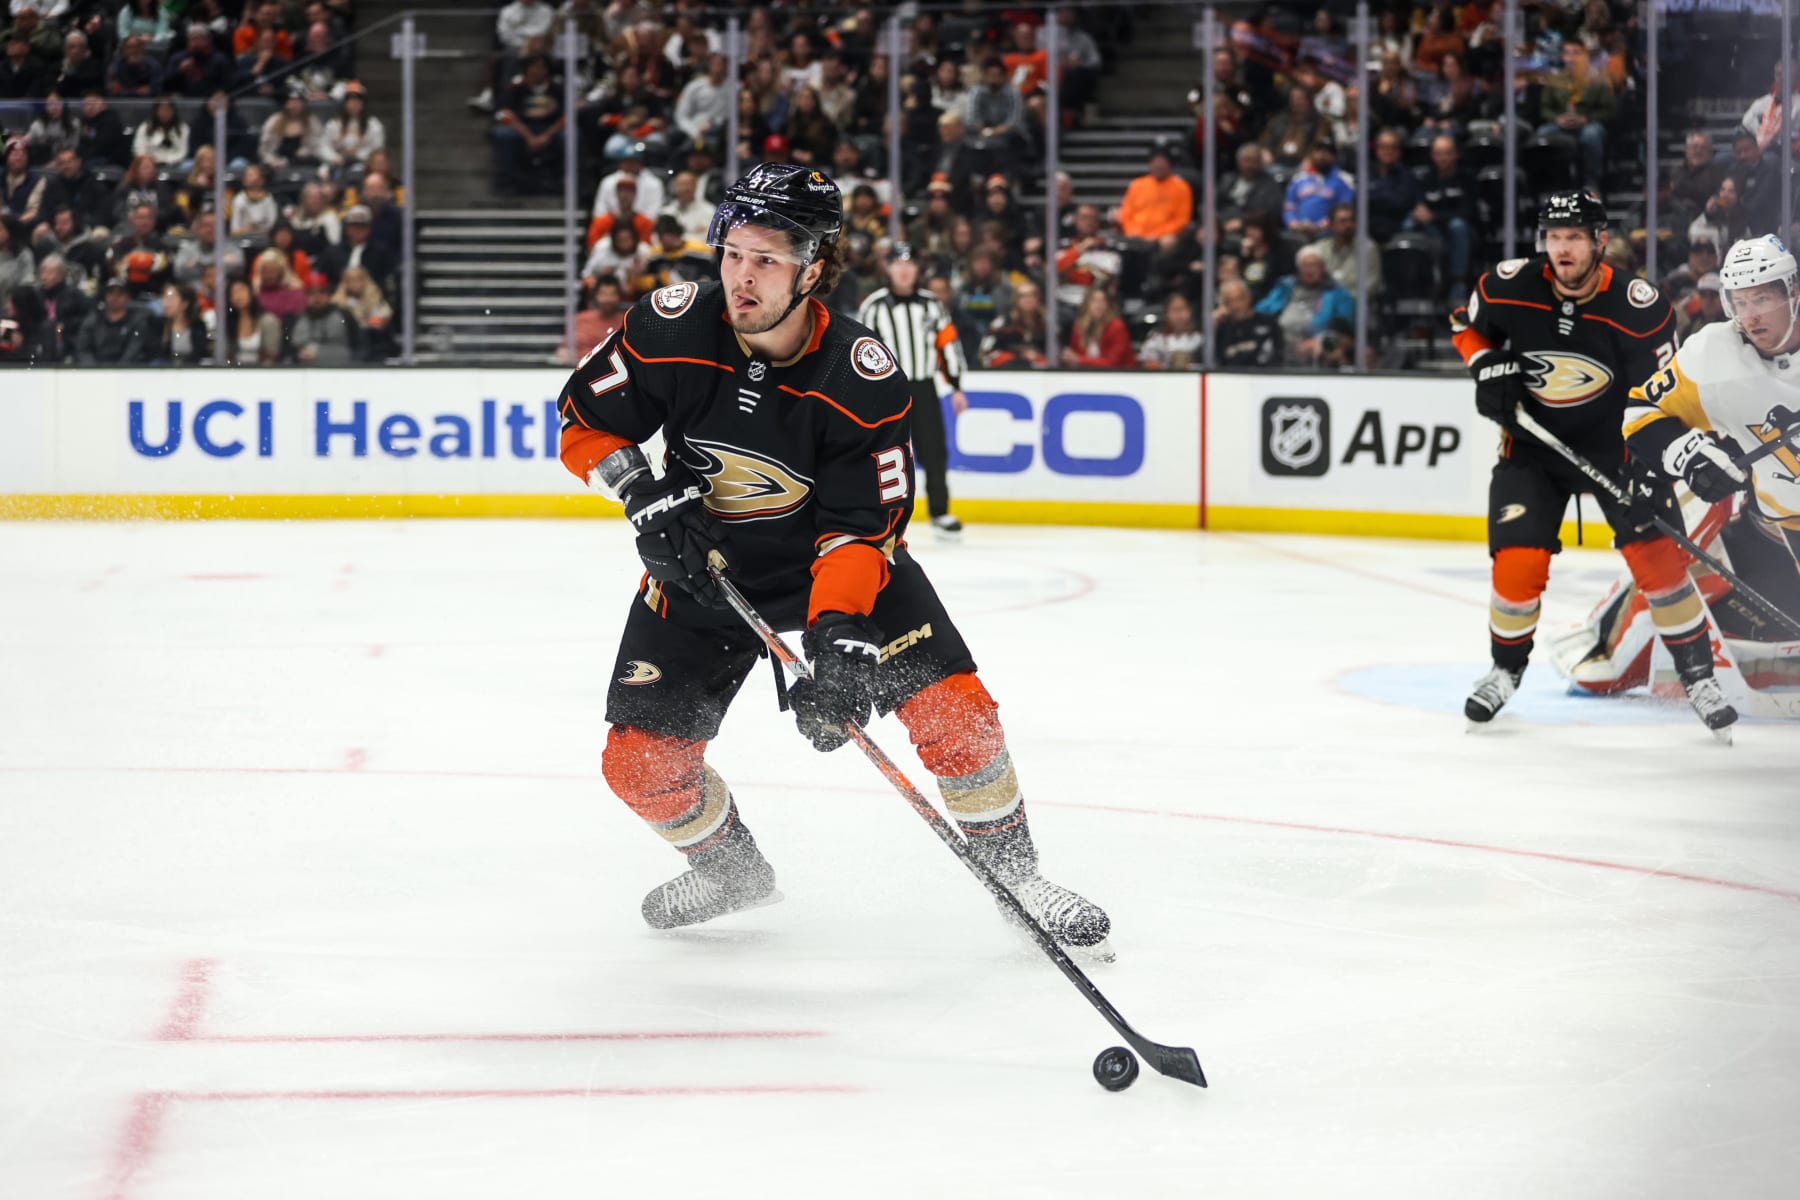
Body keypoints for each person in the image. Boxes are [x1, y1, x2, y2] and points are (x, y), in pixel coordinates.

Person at [553, 162, 1109, 947]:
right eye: (734, 253)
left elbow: (859, 531)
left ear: (813, 269)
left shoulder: (862, 377)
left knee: (958, 716)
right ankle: (731, 873)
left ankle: (1019, 881)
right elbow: (582, 420)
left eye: (767, 261)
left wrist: (837, 633)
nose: (742, 278)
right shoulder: (668, 326)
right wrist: (639, 490)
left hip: (840, 574)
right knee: (638, 764)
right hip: (700, 570)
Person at [1449, 191, 1732, 736]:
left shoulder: (1640, 305)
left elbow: (1662, 394)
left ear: (1600, 242)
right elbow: (1466, 324)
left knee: (1662, 566)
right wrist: (1485, 364)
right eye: (1554, 238)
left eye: (1575, 237)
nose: (1562, 249)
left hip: (1621, 449)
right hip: (1534, 447)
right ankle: (1504, 671)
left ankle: (1700, 675)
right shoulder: (1511, 285)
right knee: (1517, 564)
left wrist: (1654, 460)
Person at [1622, 233, 1800, 641]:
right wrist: (1688, 455)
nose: (1750, 316)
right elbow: (1640, 414)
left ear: (1793, 292)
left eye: (1761, 300)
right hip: (1791, 517)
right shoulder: (1714, 355)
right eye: (1739, 302)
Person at [857, 240, 970, 539]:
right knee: (882, 451)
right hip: (885, 389)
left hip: (923, 385)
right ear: (888, 267)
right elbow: (860, 351)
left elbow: (948, 345)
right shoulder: (874, 306)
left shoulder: (932, 304)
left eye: (910, 265)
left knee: (934, 450)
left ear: (918, 269)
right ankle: (875, 512)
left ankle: (940, 512)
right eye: (899, 264)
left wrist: (956, 385)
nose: (905, 271)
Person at [74, 277, 152, 362]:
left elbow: (133, 351)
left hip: (127, 371)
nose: (115, 298)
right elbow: (83, 350)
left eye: (120, 294)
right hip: (96, 370)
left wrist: (117, 372)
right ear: (105, 297)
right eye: (111, 293)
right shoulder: (93, 320)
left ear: (128, 298)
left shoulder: (137, 321)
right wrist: (94, 370)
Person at [1214, 277, 1282, 367]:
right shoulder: (1222, 329)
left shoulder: (1268, 323)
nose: (1235, 306)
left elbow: (1278, 355)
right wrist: (1213, 327)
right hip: (1230, 378)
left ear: (1248, 297)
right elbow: (1204, 360)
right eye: (1229, 301)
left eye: (1239, 299)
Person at [1062, 285, 1134, 368]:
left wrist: (1080, 360)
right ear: (1086, 304)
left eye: (1102, 301)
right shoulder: (1079, 327)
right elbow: (1074, 356)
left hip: (1119, 377)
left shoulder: (1117, 327)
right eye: (1094, 300)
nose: (1098, 305)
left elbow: (1112, 363)